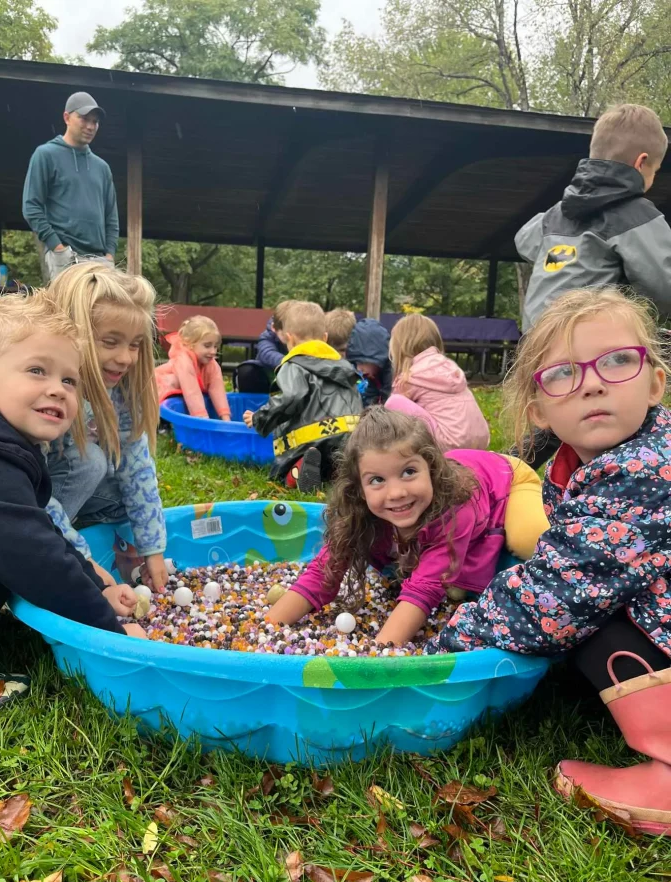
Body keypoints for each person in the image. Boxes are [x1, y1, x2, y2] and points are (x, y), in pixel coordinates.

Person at [424, 288, 671, 836]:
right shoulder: (590, 460)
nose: (593, 381)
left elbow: (557, 597)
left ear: (655, 381)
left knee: (591, 616)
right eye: (562, 373)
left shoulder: (643, 470)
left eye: (617, 361)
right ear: (540, 409)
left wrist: (445, 645)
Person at [0, 291, 147, 714]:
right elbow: (35, 556)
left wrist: (95, 582)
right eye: (37, 371)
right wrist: (113, 635)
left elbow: (36, 526)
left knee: (2, 537)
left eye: (69, 381)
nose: (57, 390)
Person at [268, 407, 548, 646]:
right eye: (377, 480)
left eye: (409, 472)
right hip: (456, 496)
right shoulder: (359, 513)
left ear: (432, 470)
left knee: (530, 541)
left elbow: (423, 591)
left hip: (505, 477)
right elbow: (323, 572)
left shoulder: (454, 509)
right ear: (359, 489)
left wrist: (378, 654)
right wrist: (270, 627)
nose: (396, 492)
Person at [44, 263, 168, 593]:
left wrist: (152, 548)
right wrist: (83, 563)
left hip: (74, 492)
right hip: (30, 496)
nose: (126, 358)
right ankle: (53, 544)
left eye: (135, 344)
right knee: (90, 463)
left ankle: (71, 532)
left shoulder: (123, 391)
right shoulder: (43, 393)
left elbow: (137, 468)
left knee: (122, 491)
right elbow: (27, 489)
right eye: (110, 342)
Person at [516, 103, 671, 332]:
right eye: (654, 171)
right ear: (641, 162)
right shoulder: (638, 216)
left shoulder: (557, 213)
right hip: (590, 348)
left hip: (537, 343)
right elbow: (664, 287)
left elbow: (524, 241)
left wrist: (564, 257)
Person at [242, 301, 363, 491]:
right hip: (350, 438)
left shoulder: (293, 366)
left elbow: (291, 396)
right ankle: (340, 474)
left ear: (289, 339)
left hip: (312, 441)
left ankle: (296, 471)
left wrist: (260, 418)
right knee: (335, 468)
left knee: (280, 473)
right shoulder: (344, 367)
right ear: (324, 337)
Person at [22, 91, 118, 284]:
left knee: (102, 314)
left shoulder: (102, 168)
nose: (91, 126)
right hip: (65, 257)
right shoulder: (46, 155)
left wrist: (110, 254)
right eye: (84, 119)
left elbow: (111, 217)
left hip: (100, 262)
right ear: (67, 117)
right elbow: (31, 207)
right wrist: (57, 247)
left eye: (95, 121)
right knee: (65, 314)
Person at [384, 313, 490, 450]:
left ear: (400, 347)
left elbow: (394, 418)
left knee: (394, 402)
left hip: (448, 443)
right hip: (479, 440)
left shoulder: (411, 377)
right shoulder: (450, 369)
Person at [155, 315, 231, 420]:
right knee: (173, 380)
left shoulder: (211, 363)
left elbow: (217, 388)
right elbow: (192, 391)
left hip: (184, 394)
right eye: (207, 346)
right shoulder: (183, 360)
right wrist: (202, 419)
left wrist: (225, 417)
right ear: (189, 344)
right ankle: (162, 421)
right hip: (156, 393)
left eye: (215, 346)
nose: (213, 351)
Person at [235, 300, 293, 394]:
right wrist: (291, 362)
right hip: (269, 376)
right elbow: (266, 353)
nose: (289, 337)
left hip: (292, 379)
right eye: (285, 334)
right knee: (246, 370)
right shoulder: (267, 336)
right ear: (274, 328)